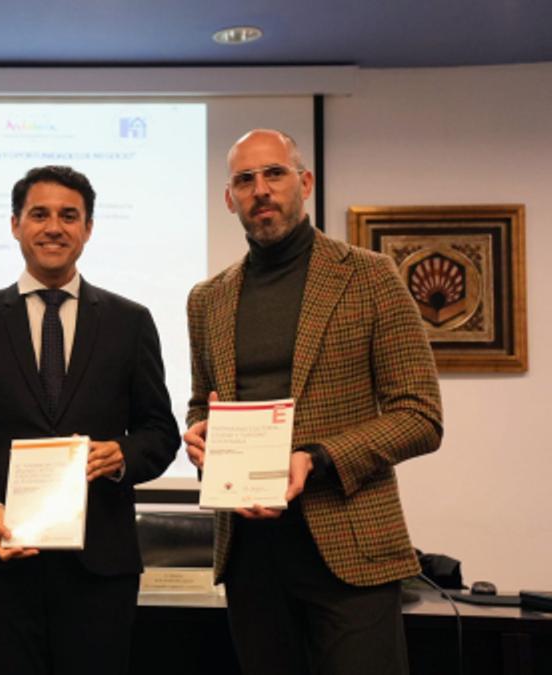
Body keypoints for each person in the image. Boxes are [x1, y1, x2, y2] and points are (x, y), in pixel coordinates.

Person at [184, 129, 443, 675]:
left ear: (304, 182)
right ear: (229, 198)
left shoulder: (372, 276)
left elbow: (421, 414)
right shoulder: (208, 298)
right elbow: (199, 403)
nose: (261, 190)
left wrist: (316, 458)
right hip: (249, 552)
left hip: (350, 546)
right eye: (244, 179)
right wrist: (201, 434)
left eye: (274, 174)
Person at [0, 165, 180, 675]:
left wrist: (122, 456)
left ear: (88, 229)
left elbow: (161, 432)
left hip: (100, 566)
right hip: (1, 560)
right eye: (39, 214)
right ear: (15, 224)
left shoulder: (129, 322)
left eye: (70, 216)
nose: (54, 227)